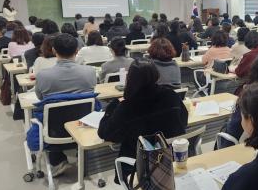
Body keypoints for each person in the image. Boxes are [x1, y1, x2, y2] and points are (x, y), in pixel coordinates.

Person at [97, 61, 187, 178]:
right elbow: (183, 121)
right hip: (171, 160)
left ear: (130, 79)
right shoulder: (171, 95)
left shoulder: (127, 107)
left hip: (139, 169)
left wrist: (114, 105)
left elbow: (105, 133)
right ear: (156, 75)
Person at [35, 34, 97, 176]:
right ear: (76, 51)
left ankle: (58, 161)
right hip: (83, 125)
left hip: (55, 130)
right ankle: (82, 155)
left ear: (54, 50)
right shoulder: (90, 71)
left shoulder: (43, 76)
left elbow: (40, 98)